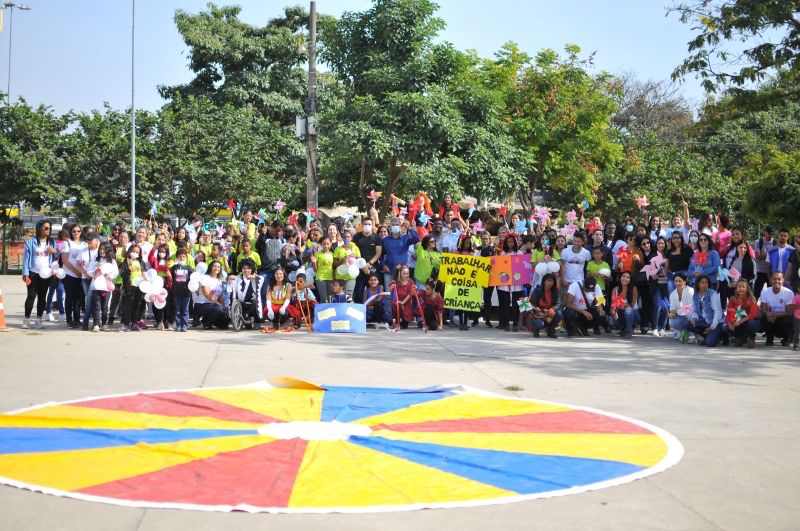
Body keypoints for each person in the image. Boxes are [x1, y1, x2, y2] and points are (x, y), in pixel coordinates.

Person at [21, 220, 57, 329]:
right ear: (39, 228)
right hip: (33, 273)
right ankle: (26, 320)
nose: (48, 230)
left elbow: (57, 256)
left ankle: (38, 320)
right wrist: (25, 273)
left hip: (45, 274)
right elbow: (26, 259)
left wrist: (54, 251)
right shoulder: (31, 241)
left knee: (42, 298)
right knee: (31, 296)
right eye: (45, 228)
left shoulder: (51, 242)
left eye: (49, 228)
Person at [381, 216, 419, 316]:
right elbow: (381, 255)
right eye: (393, 225)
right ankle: (390, 316)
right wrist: (383, 265)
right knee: (389, 294)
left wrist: (410, 228)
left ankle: (404, 315)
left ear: (400, 225)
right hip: (389, 271)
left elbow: (416, 239)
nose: (395, 227)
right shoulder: (385, 240)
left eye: (397, 225)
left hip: (403, 273)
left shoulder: (406, 238)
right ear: (390, 226)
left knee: (404, 294)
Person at [83, 242, 118, 332]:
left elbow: (115, 273)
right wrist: (96, 270)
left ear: (108, 250)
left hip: (106, 286)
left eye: (104, 249)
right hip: (96, 285)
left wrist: (107, 275)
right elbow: (89, 271)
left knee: (105, 306)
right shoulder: (95, 259)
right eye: (100, 249)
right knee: (96, 305)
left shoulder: (112, 261)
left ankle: (104, 324)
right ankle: (96, 324)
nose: (102, 251)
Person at [496, 234, 524, 332]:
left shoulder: (519, 253)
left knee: (516, 303)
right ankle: (506, 323)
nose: (510, 243)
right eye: (508, 242)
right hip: (505, 282)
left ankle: (516, 323)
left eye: (512, 241)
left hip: (516, 282)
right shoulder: (503, 253)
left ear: (515, 242)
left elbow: (523, 266)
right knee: (506, 303)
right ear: (506, 243)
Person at [687, 275, 725, 347]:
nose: (704, 284)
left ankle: (721, 336)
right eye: (702, 282)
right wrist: (694, 318)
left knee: (709, 343)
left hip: (716, 322)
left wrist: (712, 327)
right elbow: (694, 311)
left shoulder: (713, 294)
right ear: (698, 284)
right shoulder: (695, 296)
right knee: (689, 324)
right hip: (705, 322)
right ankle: (706, 335)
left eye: (706, 282)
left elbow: (718, 312)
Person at [61, 223, 87, 329]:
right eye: (74, 231)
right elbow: (65, 260)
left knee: (78, 299)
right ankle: (69, 320)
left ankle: (77, 319)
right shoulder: (67, 243)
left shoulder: (84, 244)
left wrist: (83, 272)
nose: (76, 233)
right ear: (71, 232)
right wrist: (76, 271)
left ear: (81, 232)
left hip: (81, 275)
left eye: (78, 231)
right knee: (69, 298)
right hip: (69, 274)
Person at [759, 271, 794, 347]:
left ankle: (786, 339)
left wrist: (777, 315)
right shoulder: (765, 291)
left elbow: (789, 312)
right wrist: (767, 314)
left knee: (790, 319)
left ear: (783, 280)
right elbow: (763, 309)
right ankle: (769, 338)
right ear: (771, 280)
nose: (776, 281)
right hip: (770, 318)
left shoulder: (789, 293)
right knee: (763, 317)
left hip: (782, 319)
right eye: (774, 279)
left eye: (779, 279)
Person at [352, 217, 383, 303]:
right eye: (365, 224)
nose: (367, 226)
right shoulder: (356, 237)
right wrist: (362, 266)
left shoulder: (376, 237)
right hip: (359, 268)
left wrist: (368, 264)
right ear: (362, 225)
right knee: (359, 290)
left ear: (372, 225)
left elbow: (378, 253)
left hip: (372, 267)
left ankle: (374, 311)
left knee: (374, 289)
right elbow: (353, 253)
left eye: (369, 224)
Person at [724, 280, 761, 348]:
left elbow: (752, 314)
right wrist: (730, 325)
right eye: (739, 287)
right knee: (725, 327)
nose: (741, 288)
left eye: (743, 287)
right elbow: (728, 314)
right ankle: (739, 337)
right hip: (736, 321)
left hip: (747, 321)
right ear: (736, 288)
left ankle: (751, 338)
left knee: (752, 323)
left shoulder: (751, 299)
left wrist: (740, 322)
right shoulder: (732, 299)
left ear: (747, 289)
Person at [118, 244, 147, 332]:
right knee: (128, 305)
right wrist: (128, 270)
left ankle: (134, 323)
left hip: (139, 287)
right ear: (129, 252)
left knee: (137, 305)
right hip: (129, 287)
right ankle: (126, 324)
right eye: (133, 251)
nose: (135, 253)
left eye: (137, 252)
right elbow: (122, 274)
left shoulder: (141, 262)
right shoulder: (126, 262)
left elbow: (143, 272)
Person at [195, 261, 228, 330]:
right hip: (202, 305)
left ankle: (206, 320)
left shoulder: (219, 280)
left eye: (218, 267)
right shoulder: (204, 277)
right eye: (214, 266)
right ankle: (207, 323)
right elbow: (206, 294)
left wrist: (224, 307)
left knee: (225, 324)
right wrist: (219, 304)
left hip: (214, 306)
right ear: (210, 267)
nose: (217, 268)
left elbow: (221, 296)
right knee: (218, 308)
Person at [648, 237, 671, 337]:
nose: (660, 245)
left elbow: (665, 273)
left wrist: (665, 265)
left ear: (665, 244)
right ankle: (655, 328)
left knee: (666, 306)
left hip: (666, 284)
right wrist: (655, 275)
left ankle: (662, 328)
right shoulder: (652, 256)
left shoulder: (668, 256)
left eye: (662, 243)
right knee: (657, 306)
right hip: (655, 285)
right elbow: (652, 275)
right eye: (658, 243)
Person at [528, 273, 561, 338]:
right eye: (548, 280)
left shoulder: (556, 291)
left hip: (550, 311)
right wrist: (537, 308)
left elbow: (558, 303)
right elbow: (532, 303)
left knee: (559, 314)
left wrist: (552, 310)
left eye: (552, 281)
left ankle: (551, 330)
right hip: (539, 312)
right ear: (544, 281)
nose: (550, 283)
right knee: (538, 324)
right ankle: (536, 329)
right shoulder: (537, 290)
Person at [45, 228, 68, 322]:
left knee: (55, 292)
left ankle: (50, 312)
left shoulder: (59, 243)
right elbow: (56, 256)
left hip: (60, 271)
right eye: (65, 236)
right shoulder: (57, 243)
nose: (66, 237)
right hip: (55, 270)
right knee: (57, 291)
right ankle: (58, 312)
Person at [610, 271, 639, 339]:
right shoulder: (615, 289)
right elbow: (612, 306)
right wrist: (613, 313)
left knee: (628, 310)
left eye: (628, 277)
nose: (625, 278)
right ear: (620, 278)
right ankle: (623, 328)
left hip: (633, 314)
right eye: (623, 276)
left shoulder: (634, 289)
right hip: (620, 313)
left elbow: (631, 305)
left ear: (630, 280)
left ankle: (629, 330)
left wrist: (621, 305)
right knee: (614, 320)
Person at [170, 248, 193, 332]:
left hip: (186, 292)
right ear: (177, 258)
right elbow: (170, 278)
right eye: (180, 257)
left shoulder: (189, 268)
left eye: (183, 257)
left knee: (185, 309)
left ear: (186, 257)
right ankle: (178, 324)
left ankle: (185, 324)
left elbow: (192, 279)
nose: (182, 258)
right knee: (178, 309)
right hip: (176, 292)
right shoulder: (173, 268)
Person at [333, 229, 361, 297]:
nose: (346, 239)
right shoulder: (338, 249)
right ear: (342, 238)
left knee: (349, 296)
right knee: (340, 296)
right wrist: (342, 260)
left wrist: (356, 256)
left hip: (351, 277)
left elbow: (360, 262)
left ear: (351, 238)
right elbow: (334, 264)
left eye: (348, 237)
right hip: (340, 277)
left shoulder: (355, 248)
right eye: (345, 237)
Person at [389, 264, 418, 330]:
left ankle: (400, 322)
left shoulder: (411, 281)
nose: (406, 275)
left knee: (405, 326)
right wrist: (391, 287)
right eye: (404, 273)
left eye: (407, 273)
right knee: (397, 306)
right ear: (400, 273)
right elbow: (390, 292)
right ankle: (396, 322)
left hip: (406, 302)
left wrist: (402, 302)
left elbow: (410, 294)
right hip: (397, 301)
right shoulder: (396, 281)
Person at [668, 272, 694, 343]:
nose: (677, 283)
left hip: (692, 317)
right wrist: (671, 314)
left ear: (685, 281)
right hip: (681, 317)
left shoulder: (690, 291)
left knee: (690, 315)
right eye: (676, 281)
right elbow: (672, 309)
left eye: (680, 281)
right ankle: (683, 331)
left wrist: (676, 312)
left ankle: (693, 333)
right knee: (672, 321)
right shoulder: (672, 294)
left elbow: (690, 308)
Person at [752, 225, 776, 298]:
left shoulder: (775, 242)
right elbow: (757, 257)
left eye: (771, 233)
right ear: (765, 232)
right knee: (756, 292)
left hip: (772, 271)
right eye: (768, 233)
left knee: (772, 293)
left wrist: (764, 255)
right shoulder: (758, 242)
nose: (770, 235)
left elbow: (775, 258)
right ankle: (754, 307)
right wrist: (769, 255)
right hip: (760, 271)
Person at [311, 236, 334, 303]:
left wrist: (334, 278)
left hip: (330, 278)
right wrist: (314, 262)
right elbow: (315, 270)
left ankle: (330, 312)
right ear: (321, 244)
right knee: (324, 299)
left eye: (328, 244)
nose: (326, 246)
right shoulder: (317, 254)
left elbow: (333, 267)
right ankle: (323, 312)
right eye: (324, 244)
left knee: (330, 298)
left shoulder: (332, 254)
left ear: (330, 244)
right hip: (320, 278)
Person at [792, 281, 800, 351]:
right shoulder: (797, 297)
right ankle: (796, 345)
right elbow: (793, 307)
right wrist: (798, 306)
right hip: (797, 317)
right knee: (797, 331)